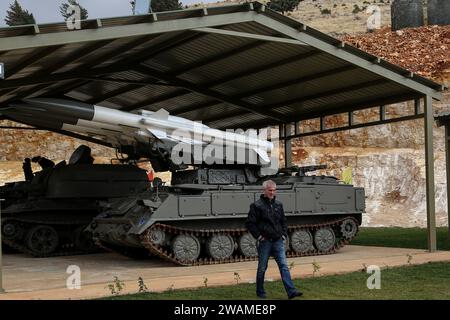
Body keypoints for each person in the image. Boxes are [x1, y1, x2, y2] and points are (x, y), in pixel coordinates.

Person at [246, 180, 303, 299]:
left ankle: (291, 291)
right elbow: (250, 223)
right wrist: (259, 236)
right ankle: (260, 293)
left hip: (278, 241)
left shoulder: (278, 204)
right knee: (262, 268)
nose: (272, 192)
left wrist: (284, 234)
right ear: (264, 190)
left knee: (283, 266)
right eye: (270, 190)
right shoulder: (256, 205)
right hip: (265, 241)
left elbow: (283, 221)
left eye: (274, 190)